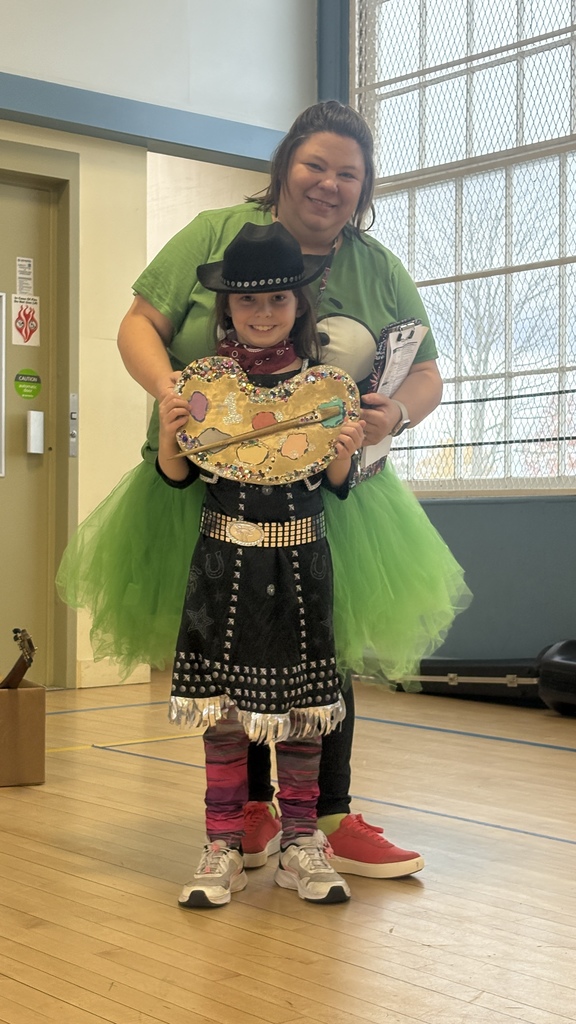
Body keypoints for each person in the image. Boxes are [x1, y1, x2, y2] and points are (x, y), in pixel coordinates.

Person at [57, 100, 471, 880]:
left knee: (325, 637)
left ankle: (330, 816)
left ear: (365, 187)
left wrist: (393, 418)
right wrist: (174, 394)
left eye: (349, 173)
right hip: (198, 482)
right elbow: (139, 322)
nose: (329, 184)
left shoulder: (376, 265)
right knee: (226, 634)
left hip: (327, 488)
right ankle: (245, 809)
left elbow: (426, 372)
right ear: (285, 165)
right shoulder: (214, 233)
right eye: (316, 164)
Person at [158, 221, 364, 907]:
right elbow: (180, 477)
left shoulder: (324, 389)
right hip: (223, 569)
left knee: (304, 715)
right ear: (228, 309)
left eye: (278, 298)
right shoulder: (202, 389)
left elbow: (337, 483)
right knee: (222, 714)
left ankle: (301, 842)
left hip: (302, 569)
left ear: (300, 304)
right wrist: (169, 436)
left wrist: (345, 444)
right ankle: (221, 843)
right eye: (249, 302)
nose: (264, 312)